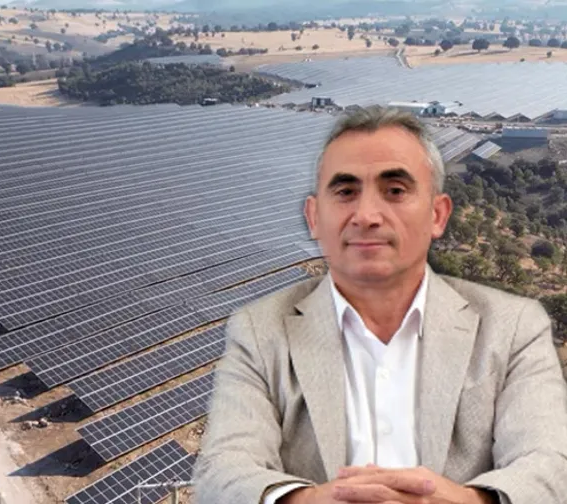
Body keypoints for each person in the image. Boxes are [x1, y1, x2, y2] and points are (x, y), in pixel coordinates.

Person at [193, 105, 567, 504]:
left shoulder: (514, 327)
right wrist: (303, 502)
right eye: (345, 192)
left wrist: (470, 502)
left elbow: (550, 466)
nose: (367, 216)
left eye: (395, 191)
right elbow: (221, 470)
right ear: (314, 217)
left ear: (438, 214)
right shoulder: (259, 330)